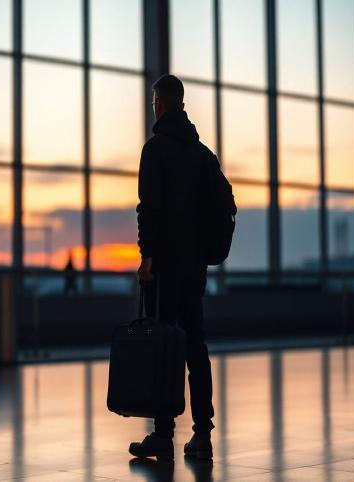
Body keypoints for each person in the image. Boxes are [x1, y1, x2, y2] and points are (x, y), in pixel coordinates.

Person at [129, 74, 216, 461]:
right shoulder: (203, 155)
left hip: (164, 268)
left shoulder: (155, 150)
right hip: (195, 267)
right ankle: (203, 434)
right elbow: (222, 205)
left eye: (153, 103)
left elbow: (149, 207)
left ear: (159, 104)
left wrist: (147, 257)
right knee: (195, 347)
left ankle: (163, 434)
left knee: (165, 346)